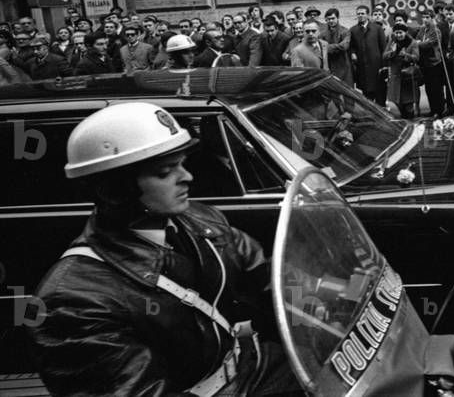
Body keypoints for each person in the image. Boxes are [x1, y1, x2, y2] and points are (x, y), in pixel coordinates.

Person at [28, 102, 296, 396]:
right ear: (115, 189)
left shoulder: (201, 221)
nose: (187, 177)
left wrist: (331, 296)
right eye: (165, 172)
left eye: (183, 164)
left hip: (257, 367)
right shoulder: (75, 300)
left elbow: (272, 283)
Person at [350, 4, 387, 106]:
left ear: (368, 15)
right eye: (358, 14)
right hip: (363, 69)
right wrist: (353, 53)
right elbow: (351, 46)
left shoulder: (377, 29)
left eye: (362, 13)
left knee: (380, 97)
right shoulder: (353, 30)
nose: (360, 16)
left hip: (377, 68)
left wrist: (384, 66)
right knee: (367, 100)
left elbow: (384, 48)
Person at [384, 21, 421, 118]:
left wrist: (406, 55)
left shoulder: (412, 43)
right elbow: (384, 56)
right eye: (396, 33)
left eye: (401, 32)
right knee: (398, 102)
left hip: (407, 76)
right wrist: (392, 52)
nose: (398, 35)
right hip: (395, 76)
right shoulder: (392, 42)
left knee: (408, 104)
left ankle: (411, 120)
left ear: (405, 32)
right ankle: (404, 119)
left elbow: (416, 58)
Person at [322, 8, 353, 85]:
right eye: (328, 19)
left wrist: (326, 47)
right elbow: (319, 46)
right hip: (329, 65)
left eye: (333, 18)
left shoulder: (345, 31)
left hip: (343, 64)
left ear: (338, 18)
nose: (331, 21)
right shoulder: (322, 33)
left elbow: (344, 46)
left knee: (345, 89)